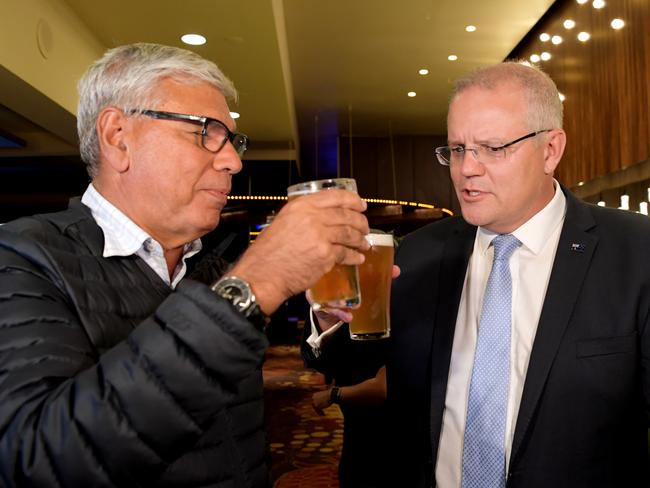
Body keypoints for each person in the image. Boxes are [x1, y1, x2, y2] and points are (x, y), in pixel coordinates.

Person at [0, 43, 370, 487]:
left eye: (232, 140)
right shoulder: (21, 258)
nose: (233, 160)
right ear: (118, 136)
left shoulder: (209, 267)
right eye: (205, 132)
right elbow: (37, 463)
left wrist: (328, 317)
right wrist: (254, 284)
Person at [384, 62, 650, 487]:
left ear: (551, 150)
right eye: (456, 149)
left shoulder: (636, 251)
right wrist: (328, 320)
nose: (466, 169)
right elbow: (354, 365)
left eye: (492, 148)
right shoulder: (419, 254)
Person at [302, 316, 388, 488]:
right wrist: (323, 320)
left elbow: (384, 386)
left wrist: (333, 395)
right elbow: (324, 361)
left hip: (396, 429)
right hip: (356, 422)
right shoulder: (349, 304)